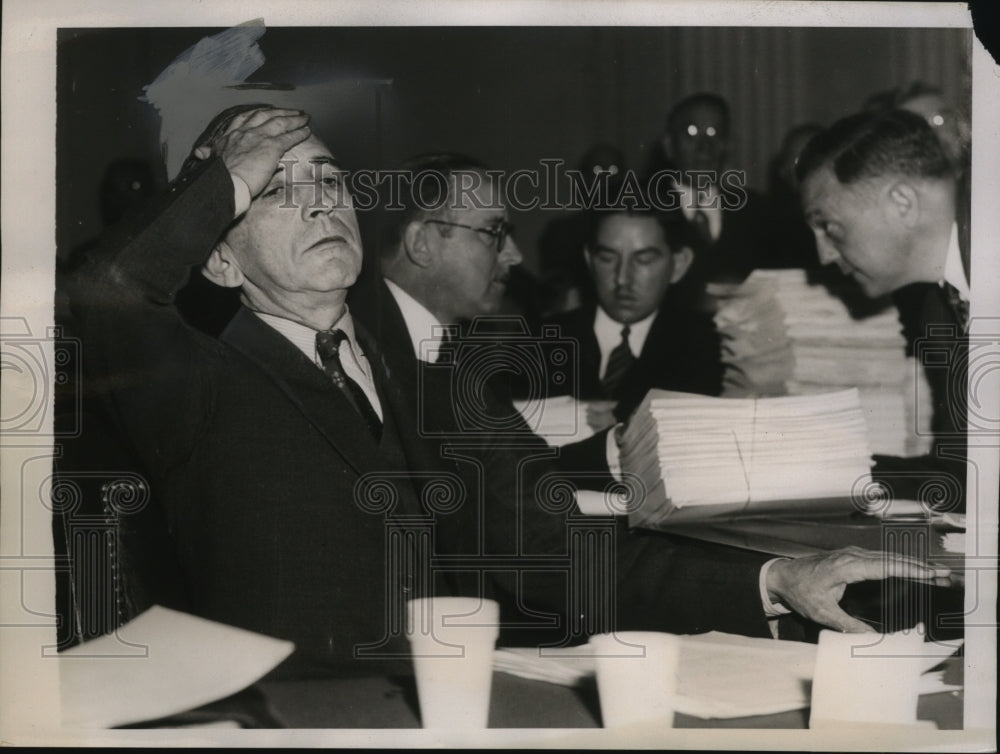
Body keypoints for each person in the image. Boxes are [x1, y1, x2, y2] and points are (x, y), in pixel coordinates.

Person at [355, 151, 949, 642]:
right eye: (493, 233)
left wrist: (772, 578)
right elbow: (540, 545)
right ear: (422, 242)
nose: (513, 255)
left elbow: (533, 530)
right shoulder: (389, 354)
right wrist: (773, 580)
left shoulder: (441, 358)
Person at [797, 108, 969, 510]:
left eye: (829, 227)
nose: (824, 255)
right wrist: (828, 471)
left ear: (902, 202)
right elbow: (964, 474)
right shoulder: (941, 309)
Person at [538, 194, 723, 425]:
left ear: (679, 265)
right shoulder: (538, 343)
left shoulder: (715, 351)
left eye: (643, 260)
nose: (622, 278)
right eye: (607, 258)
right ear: (589, 260)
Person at [650, 92, 774, 307]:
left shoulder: (758, 210)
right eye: (691, 133)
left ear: (727, 146)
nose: (704, 147)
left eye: (713, 133)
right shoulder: (644, 211)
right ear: (669, 145)